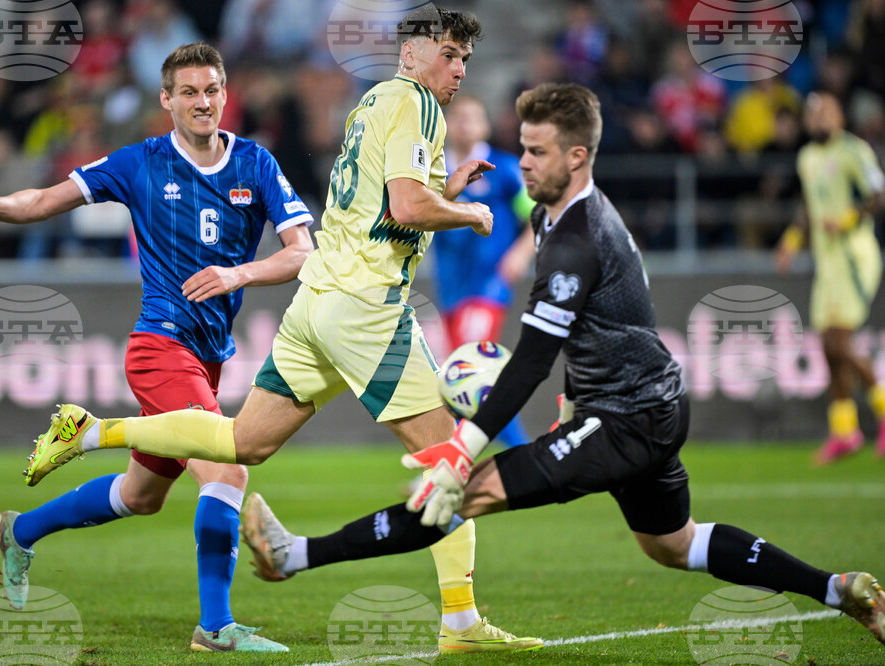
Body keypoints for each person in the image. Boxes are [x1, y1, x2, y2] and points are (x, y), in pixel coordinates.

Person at [234, 83, 885, 649]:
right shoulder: (562, 219)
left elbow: (530, 364)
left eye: (537, 151)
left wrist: (461, 450)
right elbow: (606, 326)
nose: (523, 162)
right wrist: (578, 399)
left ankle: (294, 556)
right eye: (522, 146)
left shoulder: (576, 241)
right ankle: (838, 588)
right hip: (645, 404)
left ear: (577, 156)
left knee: (460, 492)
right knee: (673, 543)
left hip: (628, 417)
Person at [20, 6, 543, 654]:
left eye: (465, 57)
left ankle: (93, 431)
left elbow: (382, 207)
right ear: (409, 53)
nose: (459, 68)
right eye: (448, 53)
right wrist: (466, 211)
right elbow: (407, 206)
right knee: (448, 458)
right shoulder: (418, 107)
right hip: (365, 308)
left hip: (316, 300)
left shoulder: (374, 103)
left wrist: (445, 186)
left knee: (241, 444)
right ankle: (459, 623)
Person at [0, 43, 313, 653]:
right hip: (160, 346)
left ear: (226, 94)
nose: (204, 102)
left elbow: (302, 251)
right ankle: (216, 628)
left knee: (139, 497)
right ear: (166, 100)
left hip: (210, 353)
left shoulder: (255, 162)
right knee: (226, 468)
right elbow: (45, 199)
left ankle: (21, 530)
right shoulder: (138, 163)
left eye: (213, 90)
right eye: (190, 92)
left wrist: (238, 274)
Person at [776, 91, 885, 464]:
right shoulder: (807, 157)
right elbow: (809, 204)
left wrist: (850, 218)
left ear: (839, 117)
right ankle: (845, 431)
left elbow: (879, 195)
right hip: (826, 262)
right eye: (813, 114)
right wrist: (792, 239)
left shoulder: (854, 151)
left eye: (825, 113)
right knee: (827, 347)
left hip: (854, 256)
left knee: (838, 342)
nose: (819, 119)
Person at [432, 94, 534, 447]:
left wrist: (521, 253)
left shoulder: (504, 169)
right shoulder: (433, 171)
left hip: (488, 286)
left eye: (472, 117)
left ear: (485, 126)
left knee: (468, 373)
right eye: (457, 117)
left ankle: (459, 459)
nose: (464, 124)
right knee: (469, 378)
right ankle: (466, 459)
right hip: (450, 288)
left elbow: (538, 215)